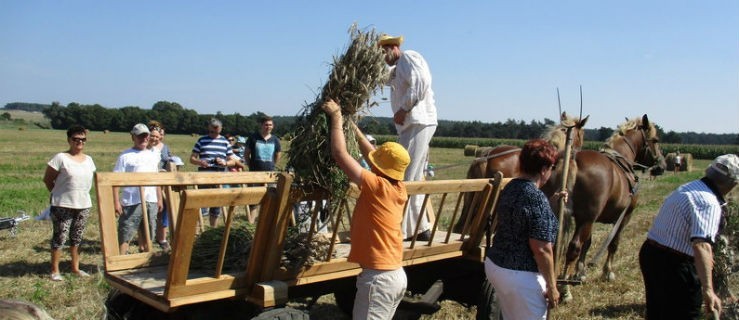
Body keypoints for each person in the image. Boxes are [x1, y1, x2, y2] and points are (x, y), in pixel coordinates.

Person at [322, 99, 410, 319]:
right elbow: (372, 155)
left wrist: (336, 118)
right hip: (394, 275)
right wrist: (352, 126)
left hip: (379, 279)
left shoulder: (377, 185)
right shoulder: (398, 187)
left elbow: (340, 155)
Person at [639, 154, 738, 319]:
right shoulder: (709, 203)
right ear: (732, 183)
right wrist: (708, 290)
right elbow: (702, 246)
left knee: (658, 312)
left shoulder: (689, 187)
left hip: (651, 254)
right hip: (675, 266)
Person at [485, 139, 562, 319]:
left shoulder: (511, 186)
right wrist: (552, 287)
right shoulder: (536, 198)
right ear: (544, 169)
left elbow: (522, 217)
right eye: (551, 168)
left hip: (497, 267)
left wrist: (552, 202)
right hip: (520, 276)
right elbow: (542, 249)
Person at [379, 34, 438, 240]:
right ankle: (420, 228)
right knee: (412, 175)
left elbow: (421, 83)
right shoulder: (396, 69)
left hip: (417, 122)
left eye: (383, 52)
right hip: (411, 125)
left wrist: (404, 109)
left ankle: (403, 231)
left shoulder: (409, 58)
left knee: (404, 176)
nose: (382, 57)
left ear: (394, 47)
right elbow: (383, 77)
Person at [43, 125, 96, 281]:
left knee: (77, 237)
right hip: (63, 204)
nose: (79, 142)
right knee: (60, 237)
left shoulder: (89, 160)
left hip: (83, 205)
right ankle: (55, 270)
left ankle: (75, 268)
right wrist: (57, 194)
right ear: (69, 140)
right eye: (76, 139)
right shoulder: (60, 158)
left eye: (82, 140)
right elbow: (47, 179)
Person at [113, 124, 163, 254]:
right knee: (126, 229)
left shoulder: (153, 155)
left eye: (146, 136)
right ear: (133, 137)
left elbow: (156, 179)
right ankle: (122, 257)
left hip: (150, 199)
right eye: (140, 136)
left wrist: (159, 199)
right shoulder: (125, 156)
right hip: (132, 200)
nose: (144, 139)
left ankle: (145, 256)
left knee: (149, 230)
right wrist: (116, 201)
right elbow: (115, 180)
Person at [189, 118, 239, 227]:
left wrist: (225, 163)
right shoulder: (202, 140)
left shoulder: (225, 142)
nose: (213, 134)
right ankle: (197, 229)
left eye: (216, 132)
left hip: (219, 176)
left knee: (217, 205)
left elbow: (233, 161)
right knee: (201, 203)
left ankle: (213, 229)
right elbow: (192, 158)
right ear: (208, 128)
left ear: (220, 130)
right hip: (204, 175)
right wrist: (200, 162)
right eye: (211, 132)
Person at [147, 121, 173, 252]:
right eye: (155, 134)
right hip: (149, 183)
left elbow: (170, 161)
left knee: (165, 208)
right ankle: (147, 238)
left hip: (163, 183)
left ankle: (162, 237)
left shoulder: (165, 148)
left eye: (160, 134)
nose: (157, 137)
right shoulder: (145, 148)